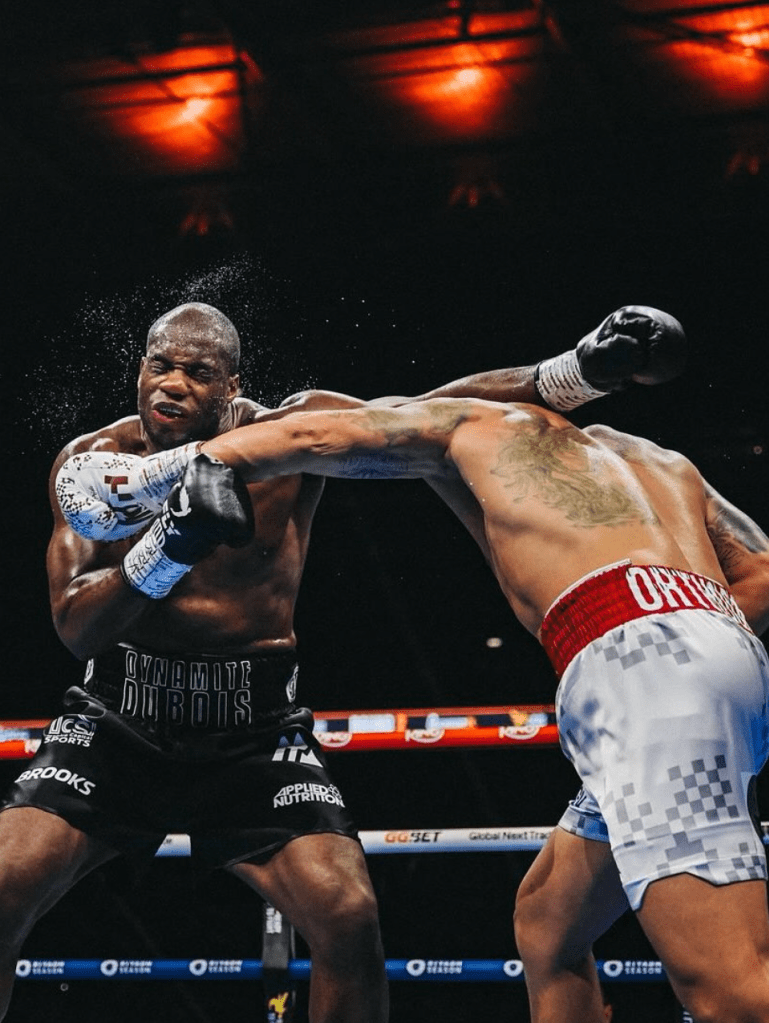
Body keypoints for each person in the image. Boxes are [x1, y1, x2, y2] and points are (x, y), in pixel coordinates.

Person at [0, 300, 681, 1022]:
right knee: (5, 880)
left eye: (197, 373)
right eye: (159, 365)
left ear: (232, 386)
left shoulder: (288, 435)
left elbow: (437, 413)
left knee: (348, 916)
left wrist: (577, 372)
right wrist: (171, 543)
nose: (172, 385)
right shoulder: (95, 465)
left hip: (252, 733)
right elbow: (78, 626)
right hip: (118, 720)